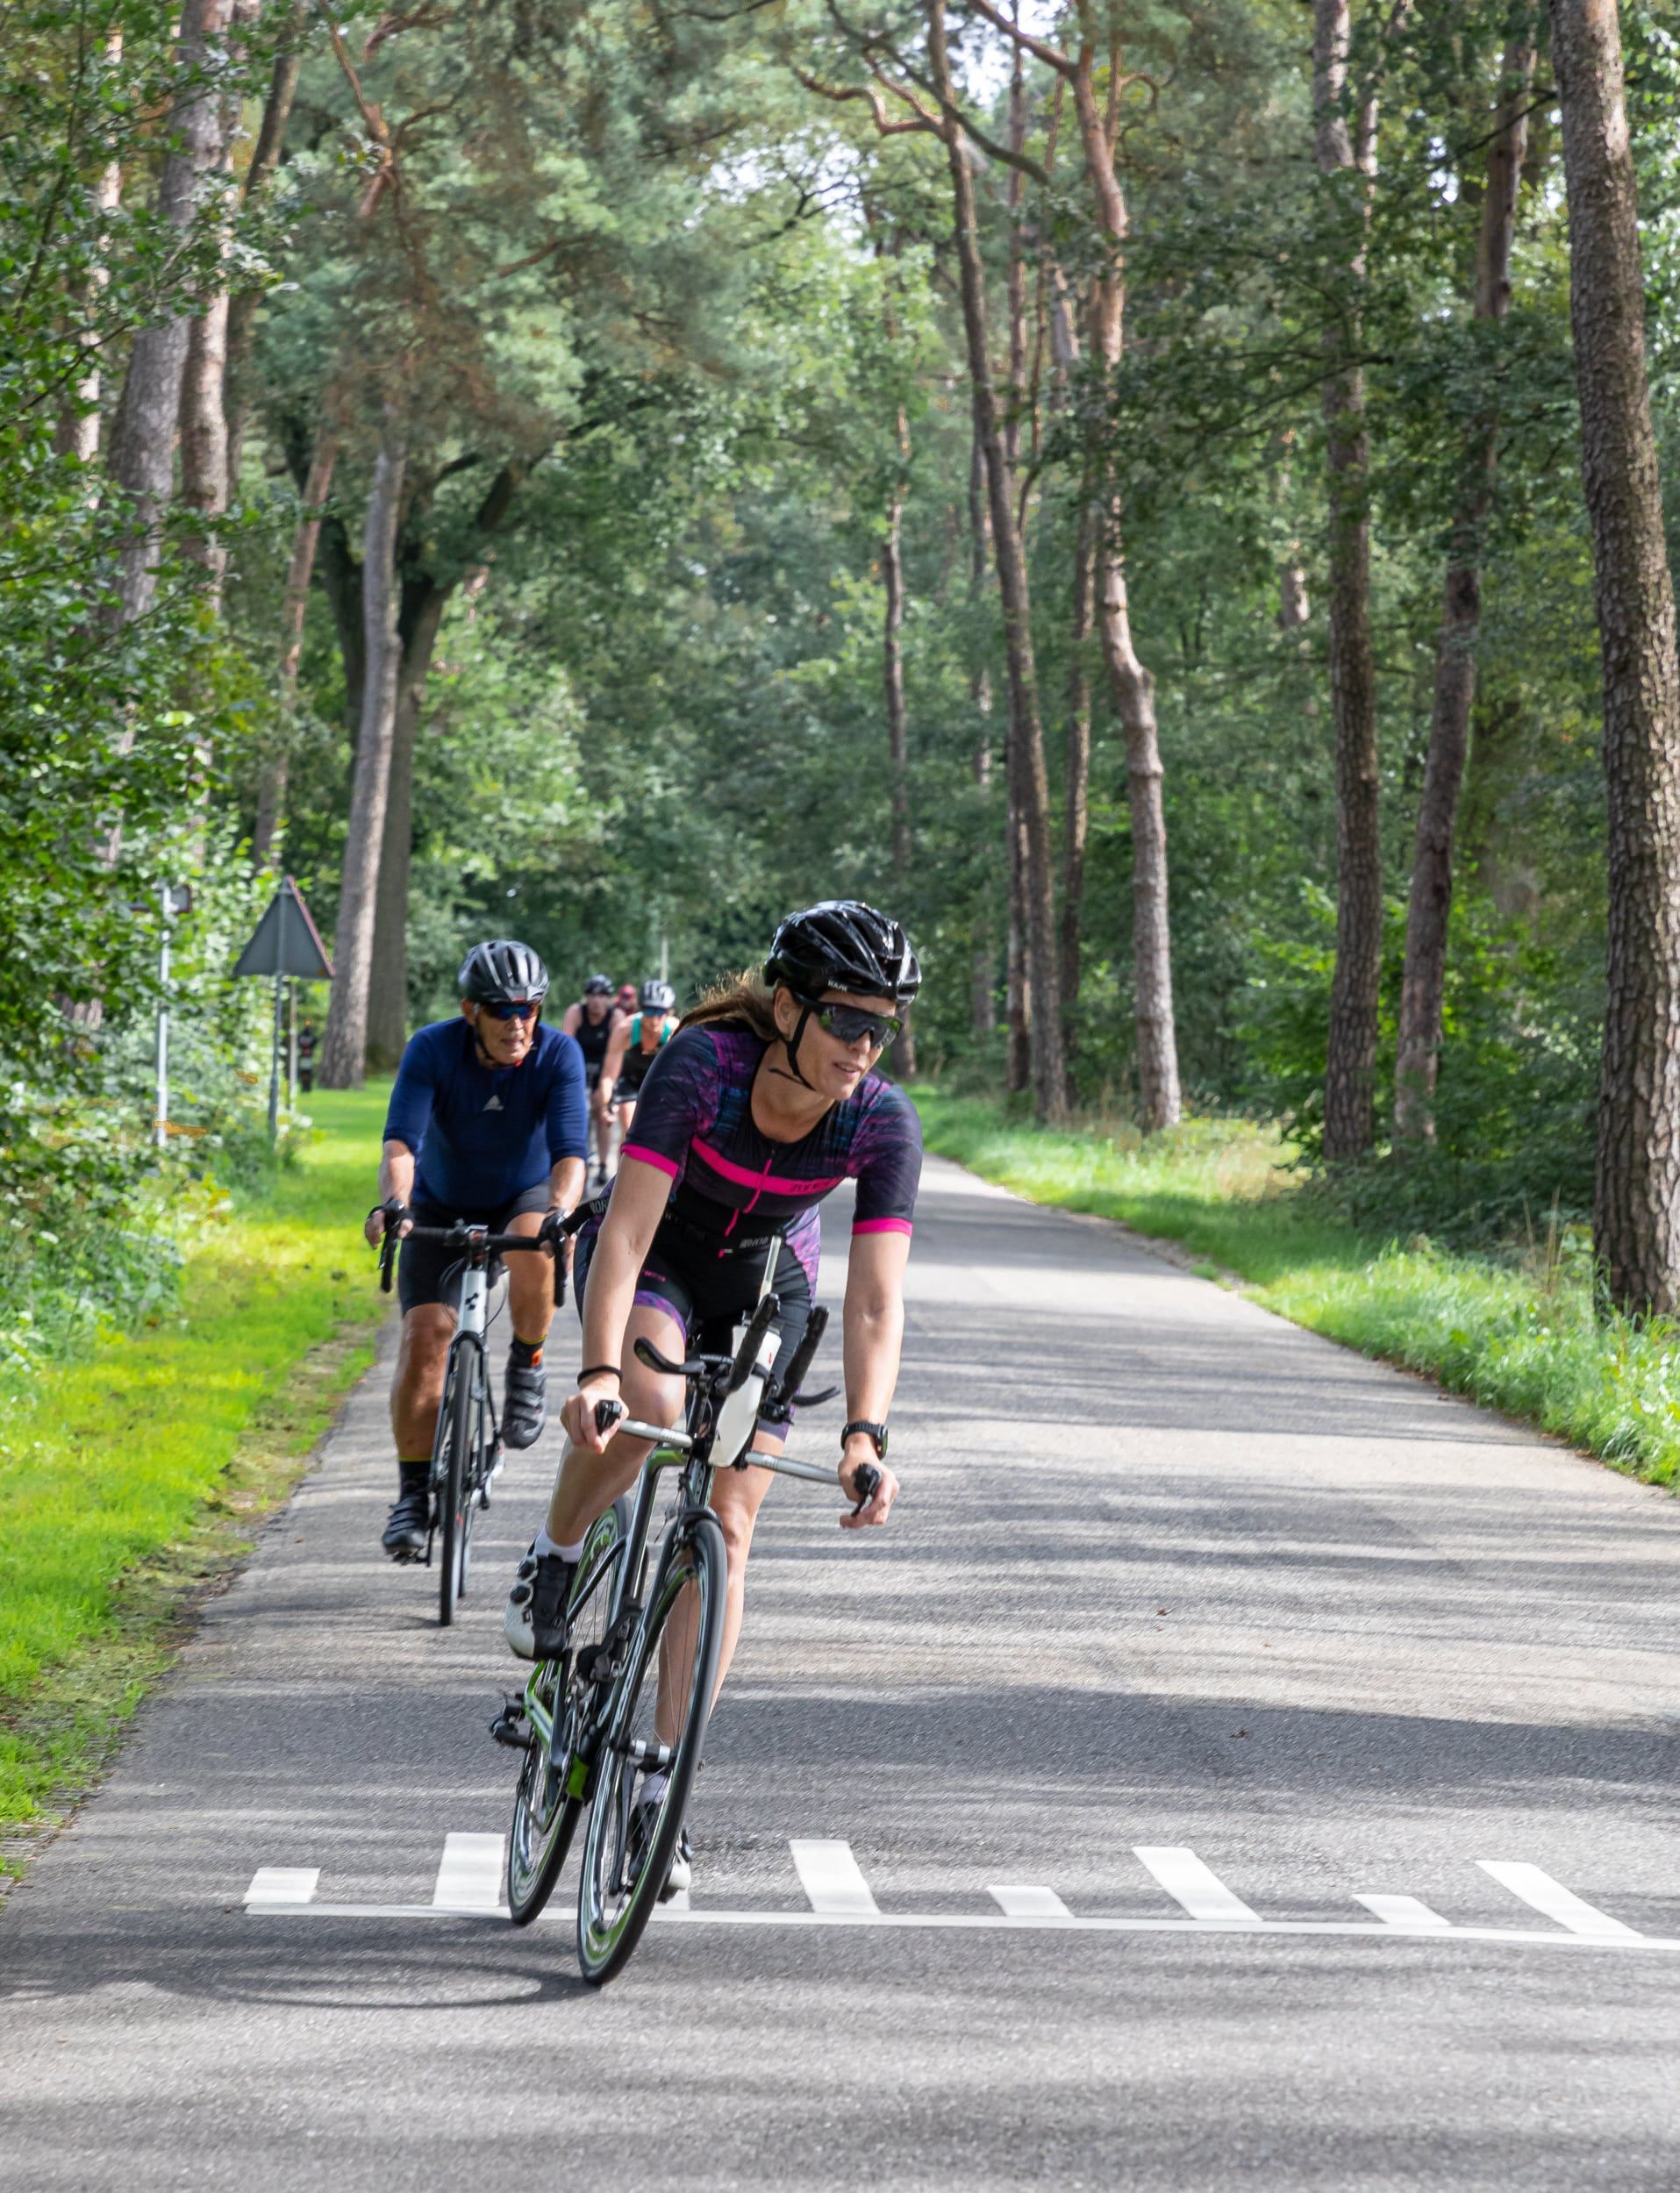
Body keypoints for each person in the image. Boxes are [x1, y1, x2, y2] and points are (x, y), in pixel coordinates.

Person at [504, 902, 922, 1895]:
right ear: (788, 1006)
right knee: (647, 1408)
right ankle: (556, 1553)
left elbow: (874, 1299)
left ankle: (660, 1782)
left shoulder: (880, 1118)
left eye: (882, 1027)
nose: (863, 1046)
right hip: (661, 1252)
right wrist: (597, 1374)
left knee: (730, 1522)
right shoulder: (704, 1066)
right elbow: (625, 1234)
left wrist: (865, 1435)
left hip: (766, 1276)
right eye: (844, 1019)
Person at [367, 940, 588, 1561]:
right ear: (471, 1010)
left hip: (522, 1193)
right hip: (440, 1202)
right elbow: (400, 1143)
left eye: (529, 1009)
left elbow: (571, 1152)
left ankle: (527, 1361)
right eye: (502, 1010)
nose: (518, 1024)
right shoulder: (432, 1049)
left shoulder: (557, 1054)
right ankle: (413, 1495)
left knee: (536, 1241)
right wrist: (395, 1205)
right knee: (424, 1340)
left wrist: (561, 1212)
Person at [597, 977, 676, 1147]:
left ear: (669, 1012)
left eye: (660, 1012)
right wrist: (606, 1104)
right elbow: (609, 1076)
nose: (654, 1020)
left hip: (659, 1082)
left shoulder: (675, 1032)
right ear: (641, 1009)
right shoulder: (625, 1030)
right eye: (649, 1011)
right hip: (630, 1080)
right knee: (630, 1129)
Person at [561, 974, 623, 1189]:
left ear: (608, 998)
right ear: (586, 997)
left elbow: (617, 1054)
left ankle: (604, 1165)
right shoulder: (575, 1013)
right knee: (575, 1113)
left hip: (606, 1071)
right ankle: (575, 1162)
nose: (596, 1000)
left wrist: (604, 1089)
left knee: (602, 1112)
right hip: (577, 1070)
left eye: (602, 995)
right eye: (592, 995)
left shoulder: (616, 1017)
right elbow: (566, 1047)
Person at [296, 1018, 318, 1095]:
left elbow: (314, 1042)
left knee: (308, 1072)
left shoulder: (312, 1036)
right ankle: (304, 1087)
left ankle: (308, 1087)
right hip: (303, 1057)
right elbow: (300, 1044)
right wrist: (304, 1049)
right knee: (304, 1072)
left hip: (309, 1057)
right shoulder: (301, 1036)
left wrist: (309, 1049)